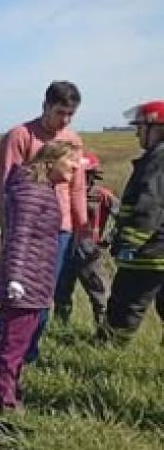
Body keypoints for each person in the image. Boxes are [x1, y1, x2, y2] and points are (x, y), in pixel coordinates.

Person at [0, 81, 89, 362]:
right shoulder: (20, 136)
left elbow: (77, 188)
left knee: (45, 296)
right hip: (26, 226)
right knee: (18, 295)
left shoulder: (73, 140)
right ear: (45, 106)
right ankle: (2, 348)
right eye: (60, 112)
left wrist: (83, 228)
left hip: (61, 229)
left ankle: (28, 352)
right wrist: (8, 229)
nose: (65, 120)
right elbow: (7, 185)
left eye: (71, 114)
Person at [0, 140, 79, 411]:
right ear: (50, 162)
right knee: (14, 343)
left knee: (21, 340)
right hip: (26, 280)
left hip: (34, 278)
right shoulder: (32, 192)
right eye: (70, 160)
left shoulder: (41, 190)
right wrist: (15, 278)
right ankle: (5, 401)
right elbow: (20, 236)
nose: (76, 166)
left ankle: (11, 392)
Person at [99, 100, 164, 345]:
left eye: (140, 128)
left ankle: (108, 354)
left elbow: (149, 208)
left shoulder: (158, 160)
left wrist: (127, 244)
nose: (137, 133)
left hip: (149, 254)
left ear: (156, 128)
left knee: (124, 308)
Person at [53, 152, 119, 328]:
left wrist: (109, 238)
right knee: (61, 294)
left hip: (89, 253)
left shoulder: (102, 195)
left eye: (85, 175)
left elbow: (124, 216)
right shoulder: (61, 194)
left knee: (100, 294)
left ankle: (103, 333)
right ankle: (59, 330)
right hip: (64, 250)